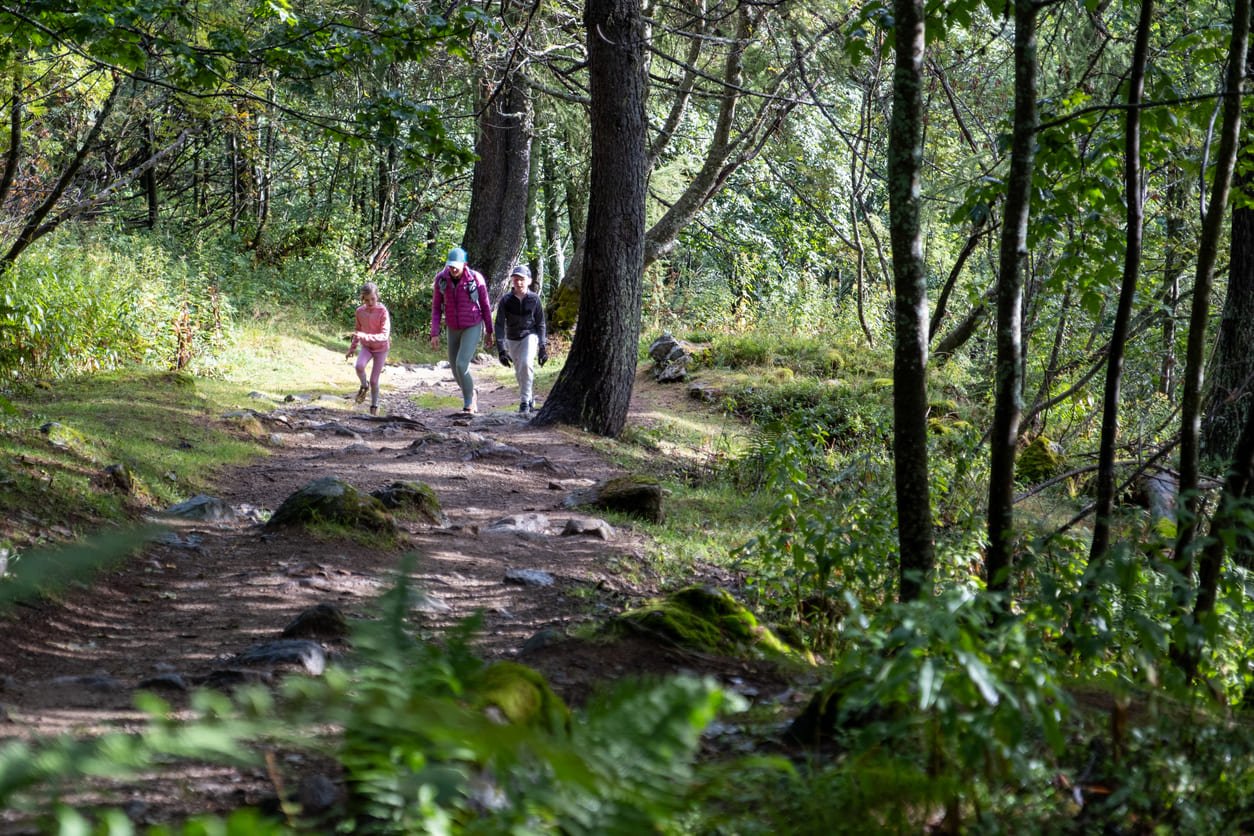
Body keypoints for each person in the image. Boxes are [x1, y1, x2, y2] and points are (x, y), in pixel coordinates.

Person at [430, 247, 494, 413]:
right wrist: (434, 333)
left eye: (456, 266)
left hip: (472, 325)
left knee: (461, 363)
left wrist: (489, 330)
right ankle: (472, 392)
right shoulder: (441, 280)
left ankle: (468, 403)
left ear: (464, 264)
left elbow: (486, 306)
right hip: (452, 326)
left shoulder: (475, 279)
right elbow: (436, 307)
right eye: (450, 266)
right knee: (454, 368)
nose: (453, 269)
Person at [493, 264, 548, 414]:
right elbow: (499, 325)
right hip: (512, 338)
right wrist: (501, 350)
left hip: (529, 336)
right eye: (515, 279)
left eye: (521, 279)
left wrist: (543, 347)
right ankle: (529, 399)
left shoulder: (534, 299)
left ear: (529, 281)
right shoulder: (506, 300)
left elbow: (541, 323)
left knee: (526, 364)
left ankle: (524, 403)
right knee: (519, 372)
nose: (518, 282)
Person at [346, 281, 391, 415]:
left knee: (374, 380)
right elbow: (357, 331)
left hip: (381, 349)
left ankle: (374, 406)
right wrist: (352, 349)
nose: (370, 302)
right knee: (359, 366)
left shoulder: (382, 312)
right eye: (367, 300)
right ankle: (363, 386)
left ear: (377, 296)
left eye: (373, 299)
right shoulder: (360, 311)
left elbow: (384, 335)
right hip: (366, 347)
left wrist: (365, 335)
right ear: (363, 299)